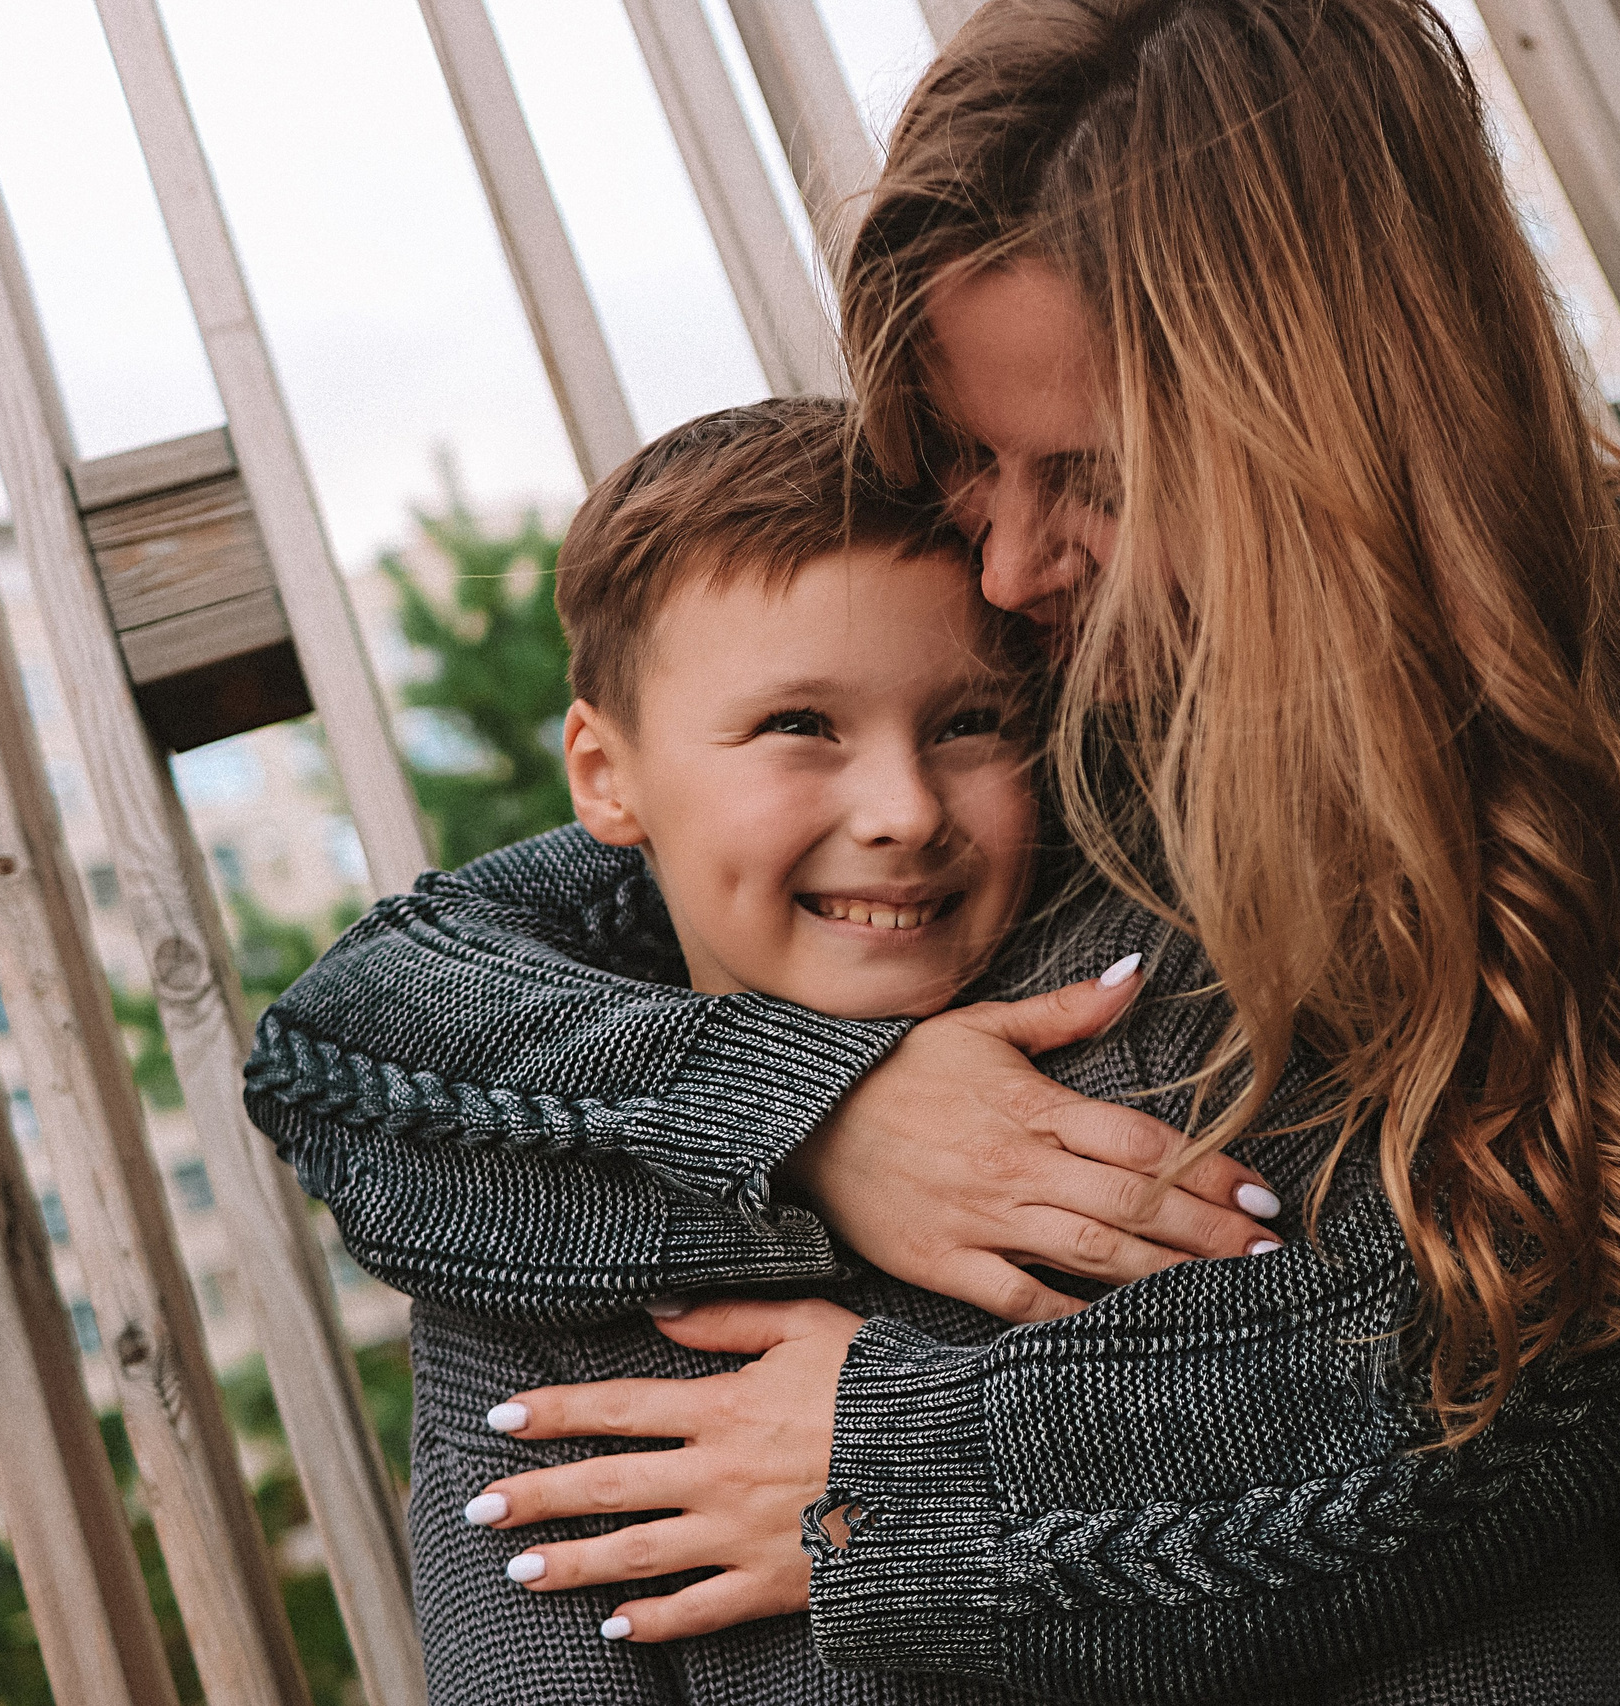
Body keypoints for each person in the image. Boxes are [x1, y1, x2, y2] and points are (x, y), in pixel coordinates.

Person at [245, 1, 1620, 1700]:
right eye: (967, 462)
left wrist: (899, 1462)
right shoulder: (1010, 723)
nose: (1005, 559)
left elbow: (1546, 1372)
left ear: (1305, 411)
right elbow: (370, 1041)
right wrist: (826, 1115)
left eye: (1085, 471)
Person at [389, 393, 1282, 1702]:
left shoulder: (1186, 1067)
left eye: (970, 721)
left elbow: (1441, 1546)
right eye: (800, 726)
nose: (905, 810)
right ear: (604, 772)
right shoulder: (521, 1266)